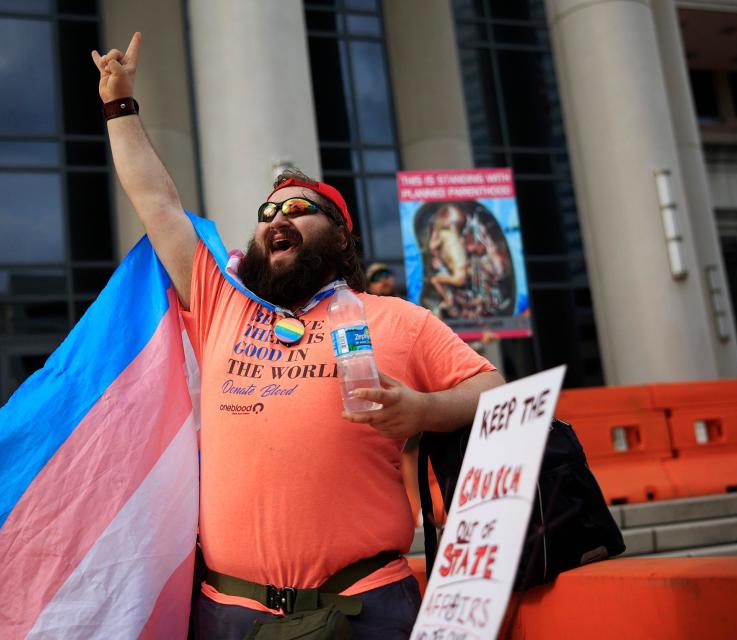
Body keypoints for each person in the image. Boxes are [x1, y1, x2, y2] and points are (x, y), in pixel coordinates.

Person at [92, 34, 504, 639]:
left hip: (366, 606)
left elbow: (493, 390)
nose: (276, 219)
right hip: (230, 612)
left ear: (340, 237)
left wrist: (422, 408)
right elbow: (157, 204)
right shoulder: (221, 305)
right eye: (266, 214)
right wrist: (120, 106)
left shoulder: (395, 318)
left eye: (298, 208)